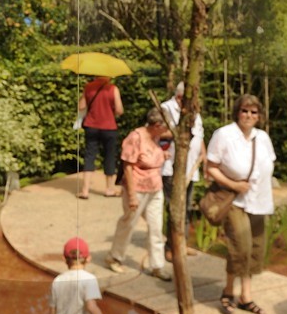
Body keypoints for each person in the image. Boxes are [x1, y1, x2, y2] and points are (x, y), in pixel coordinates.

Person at [204, 93, 275, 314]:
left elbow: (268, 165)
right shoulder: (224, 135)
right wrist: (233, 184)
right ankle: (228, 290)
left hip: (259, 201)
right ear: (237, 112)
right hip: (234, 200)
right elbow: (211, 167)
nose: (249, 115)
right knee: (240, 247)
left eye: (254, 112)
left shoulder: (262, 137)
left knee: (255, 249)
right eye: (245, 111)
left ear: (259, 116)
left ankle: (246, 295)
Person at [106, 107, 172, 280]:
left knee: (156, 227)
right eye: (165, 126)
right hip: (137, 187)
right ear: (157, 125)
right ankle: (115, 257)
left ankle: (157, 265)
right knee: (129, 222)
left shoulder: (156, 136)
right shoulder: (136, 137)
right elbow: (127, 166)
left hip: (155, 187)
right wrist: (132, 195)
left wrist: (162, 154)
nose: (167, 130)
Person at [160, 85, 204, 260]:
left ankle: (182, 244)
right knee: (174, 209)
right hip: (171, 168)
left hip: (191, 168)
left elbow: (199, 135)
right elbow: (159, 132)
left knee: (186, 208)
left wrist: (203, 154)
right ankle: (171, 247)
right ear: (180, 97)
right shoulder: (166, 108)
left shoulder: (195, 112)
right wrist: (181, 130)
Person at [76, 75, 124, 199]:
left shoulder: (88, 87)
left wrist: (85, 96)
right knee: (109, 156)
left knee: (89, 156)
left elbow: (81, 107)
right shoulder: (113, 89)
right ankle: (109, 189)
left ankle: (85, 191)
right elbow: (119, 110)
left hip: (91, 126)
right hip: (109, 127)